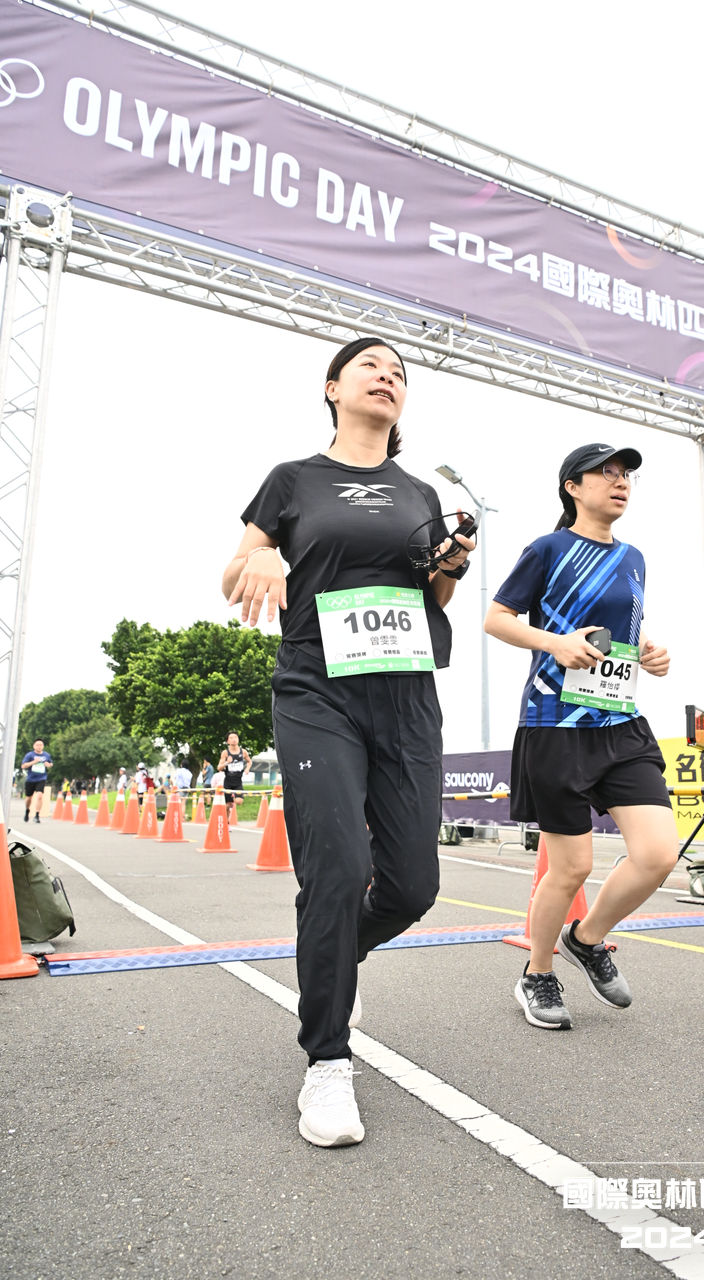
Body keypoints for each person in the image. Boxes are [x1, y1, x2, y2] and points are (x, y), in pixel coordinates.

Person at [222, 336, 475, 1148]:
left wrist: (450, 565)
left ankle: (335, 960)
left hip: (405, 694)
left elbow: (431, 595)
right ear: (333, 387)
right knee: (336, 867)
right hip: (317, 690)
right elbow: (234, 573)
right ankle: (327, 1062)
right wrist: (261, 556)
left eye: (398, 372)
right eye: (371, 366)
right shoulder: (292, 480)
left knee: (410, 888)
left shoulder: (418, 492)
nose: (387, 376)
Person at [484, 442, 677, 1031]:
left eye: (626, 476)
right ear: (572, 487)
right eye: (606, 473)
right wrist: (555, 642)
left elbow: (622, 637)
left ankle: (586, 939)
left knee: (658, 855)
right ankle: (537, 973)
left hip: (619, 723)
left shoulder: (635, 558)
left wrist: (649, 653)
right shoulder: (548, 549)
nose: (620, 483)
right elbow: (496, 618)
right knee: (570, 869)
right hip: (555, 725)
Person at [21, 738, 53, 824]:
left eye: (41, 745)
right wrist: (33, 762)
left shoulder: (46, 755)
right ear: (34, 746)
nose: (39, 746)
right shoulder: (30, 755)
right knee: (29, 798)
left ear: (43, 746)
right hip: (30, 779)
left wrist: (49, 765)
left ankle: (37, 815)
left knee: (40, 796)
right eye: (37, 745)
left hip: (41, 778)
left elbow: (50, 763)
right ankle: (27, 810)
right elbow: (23, 766)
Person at [217, 733, 252, 810]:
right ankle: (227, 817)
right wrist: (227, 762)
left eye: (236, 737)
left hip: (238, 782)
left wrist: (247, 769)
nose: (234, 739)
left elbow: (249, 761)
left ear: (238, 739)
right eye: (231, 738)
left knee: (239, 801)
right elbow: (219, 768)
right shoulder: (225, 753)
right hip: (228, 781)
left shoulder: (243, 752)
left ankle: (233, 798)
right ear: (227, 741)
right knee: (227, 805)